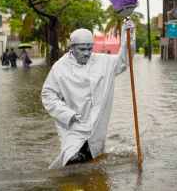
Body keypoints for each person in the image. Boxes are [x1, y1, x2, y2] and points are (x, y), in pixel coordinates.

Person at [41, 21, 135, 168]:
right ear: (71, 48)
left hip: (98, 125)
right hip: (74, 125)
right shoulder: (60, 67)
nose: (86, 53)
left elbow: (124, 61)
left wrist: (128, 36)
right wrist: (66, 114)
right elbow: (48, 94)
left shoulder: (103, 62)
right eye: (82, 49)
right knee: (71, 160)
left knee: (92, 162)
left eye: (90, 48)